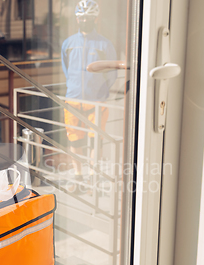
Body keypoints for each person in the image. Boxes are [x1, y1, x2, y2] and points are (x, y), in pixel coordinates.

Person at [61, 0, 118, 192]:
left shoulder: (104, 44)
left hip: (97, 101)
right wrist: (74, 87)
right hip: (73, 99)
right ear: (77, 18)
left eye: (88, 17)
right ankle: (78, 178)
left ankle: (93, 180)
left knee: (96, 141)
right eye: (82, 17)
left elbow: (112, 72)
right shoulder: (68, 44)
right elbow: (66, 69)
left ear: (95, 18)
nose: (85, 20)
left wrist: (102, 91)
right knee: (74, 140)